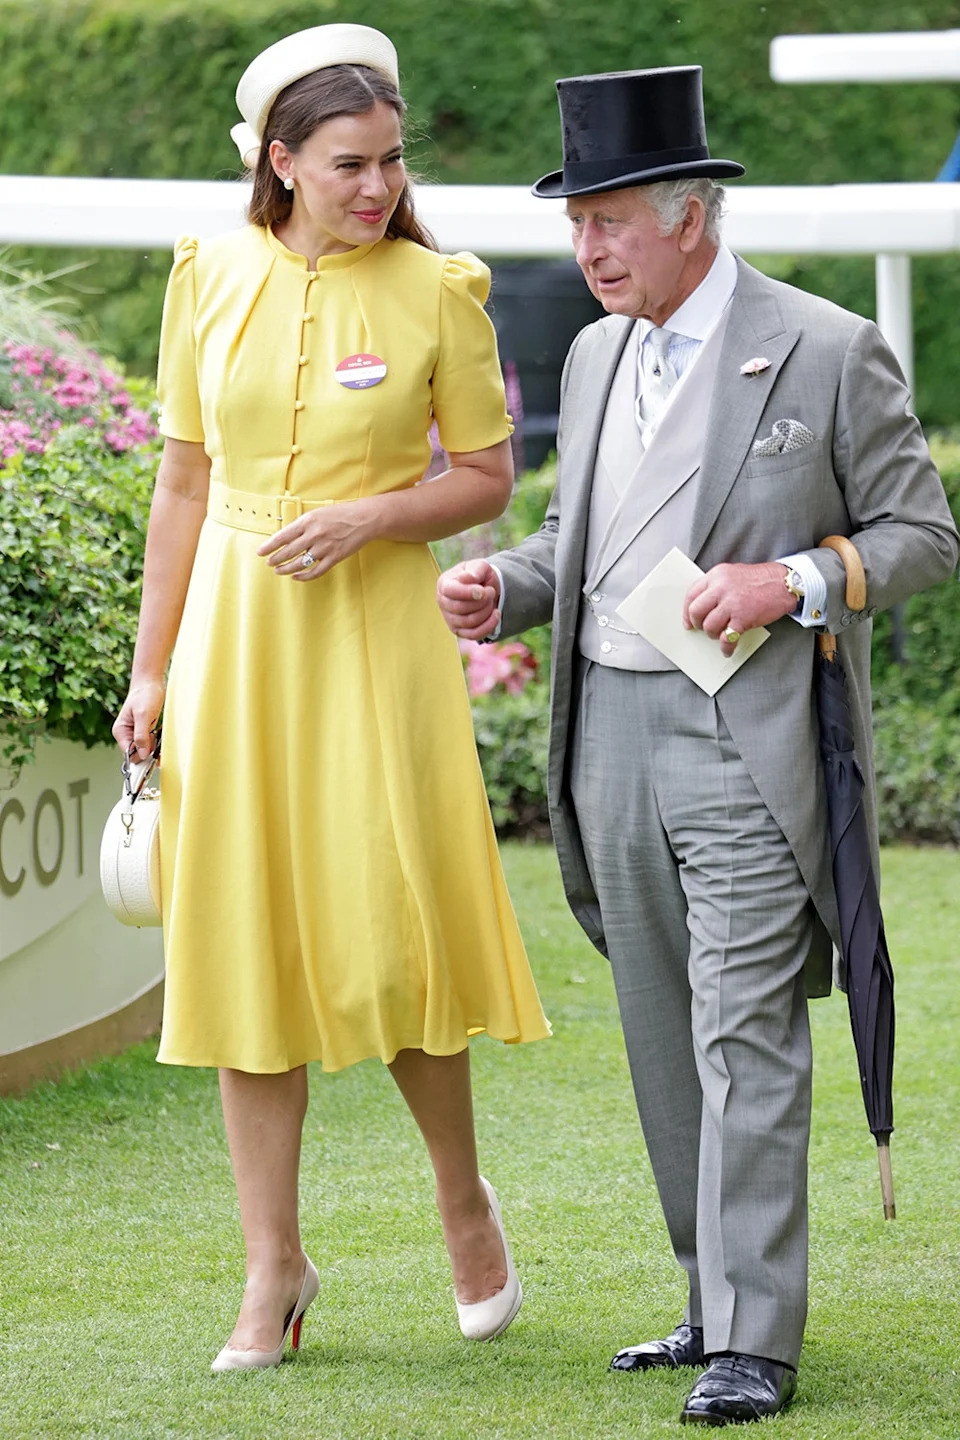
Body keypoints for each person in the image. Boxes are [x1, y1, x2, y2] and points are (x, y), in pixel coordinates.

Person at [437, 65, 959, 1427]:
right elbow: (585, 537)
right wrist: (513, 586)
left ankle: (757, 1339)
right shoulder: (598, 351)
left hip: (747, 740)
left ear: (690, 214)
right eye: (575, 224)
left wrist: (791, 580)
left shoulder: (829, 347)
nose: (587, 249)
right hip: (605, 729)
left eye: (608, 219)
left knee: (747, 1032)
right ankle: (707, 1298)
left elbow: (923, 541)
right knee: (663, 1030)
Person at [112, 22, 549, 1373]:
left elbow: (485, 477)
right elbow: (183, 480)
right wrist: (150, 667)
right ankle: (273, 1272)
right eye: (351, 163)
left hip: (377, 641)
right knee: (244, 949)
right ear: (281, 162)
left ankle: (462, 1200)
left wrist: (366, 522)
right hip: (236, 640)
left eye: (393, 161)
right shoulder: (211, 274)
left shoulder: (438, 290)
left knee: (397, 937)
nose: (378, 186)